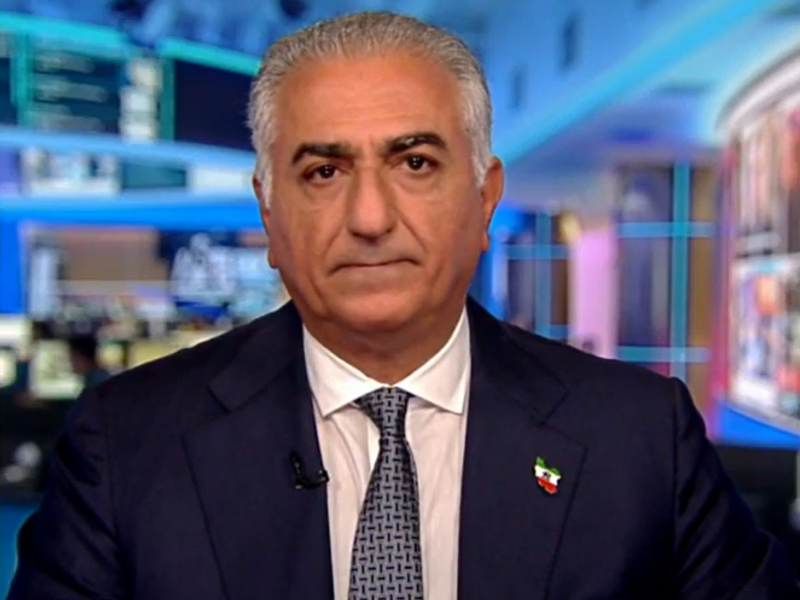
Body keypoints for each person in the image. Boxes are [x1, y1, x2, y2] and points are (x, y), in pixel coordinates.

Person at [9, 12, 799, 600]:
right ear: (270, 214)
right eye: (323, 172)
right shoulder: (128, 441)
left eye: (415, 163)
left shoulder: (640, 436)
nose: (370, 217)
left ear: (484, 199)